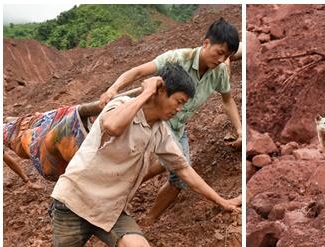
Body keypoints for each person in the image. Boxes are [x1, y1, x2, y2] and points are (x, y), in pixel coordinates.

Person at [43, 63, 241, 247]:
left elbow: (184, 170)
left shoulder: (161, 132)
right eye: (178, 101)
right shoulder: (122, 105)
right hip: (74, 203)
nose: (179, 110)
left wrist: (222, 201)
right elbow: (111, 126)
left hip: (109, 210)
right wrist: (145, 91)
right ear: (161, 92)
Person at [100, 18, 241, 226]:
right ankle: (112, 203)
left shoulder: (219, 72)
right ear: (206, 43)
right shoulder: (177, 58)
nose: (222, 59)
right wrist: (114, 88)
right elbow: (138, 72)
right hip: (156, 123)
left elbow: (227, 99)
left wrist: (239, 130)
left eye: (227, 56)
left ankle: (150, 219)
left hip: (178, 128)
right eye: (219, 52)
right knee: (151, 166)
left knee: (179, 178)